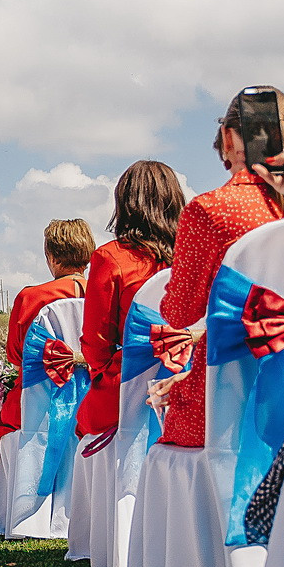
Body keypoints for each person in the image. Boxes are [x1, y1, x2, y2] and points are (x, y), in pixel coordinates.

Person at [154, 89, 284, 452]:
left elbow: (180, 313)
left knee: (163, 440)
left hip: (228, 408)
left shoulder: (211, 211)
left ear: (229, 138)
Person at [75, 162, 186, 442]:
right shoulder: (194, 254)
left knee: (82, 425)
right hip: (195, 385)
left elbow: (97, 348)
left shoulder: (110, 258)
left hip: (129, 390)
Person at [0, 218, 96, 484]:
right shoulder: (104, 294)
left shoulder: (31, 298)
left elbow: (16, 356)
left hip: (41, 402)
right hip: (95, 396)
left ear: (51, 256)